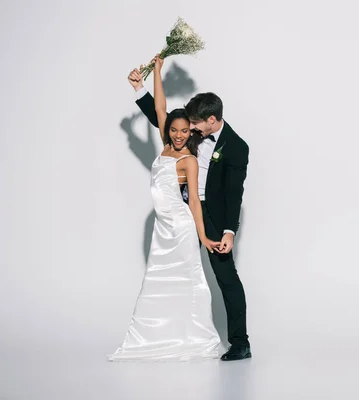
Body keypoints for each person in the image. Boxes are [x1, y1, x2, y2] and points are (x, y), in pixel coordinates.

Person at [127, 57, 252, 361]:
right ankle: (172, 335)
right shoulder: (191, 132)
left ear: (213, 120)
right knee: (177, 272)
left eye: (195, 124)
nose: (189, 128)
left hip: (212, 215)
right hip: (180, 214)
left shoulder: (237, 147)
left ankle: (240, 342)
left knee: (226, 277)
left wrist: (228, 231)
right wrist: (142, 86)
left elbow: (235, 193)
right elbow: (164, 119)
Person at [108, 55, 222, 361]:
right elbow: (160, 108)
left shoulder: (189, 160)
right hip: (162, 229)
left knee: (190, 280)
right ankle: (157, 336)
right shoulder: (165, 146)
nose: (180, 134)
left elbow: (194, 202)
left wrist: (204, 237)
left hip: (183, 230)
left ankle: (195, 336)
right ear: (169, 130)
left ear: (191, 132)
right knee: (156, 282)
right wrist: (155, 73)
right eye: (175, 130)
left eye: (186, 130)